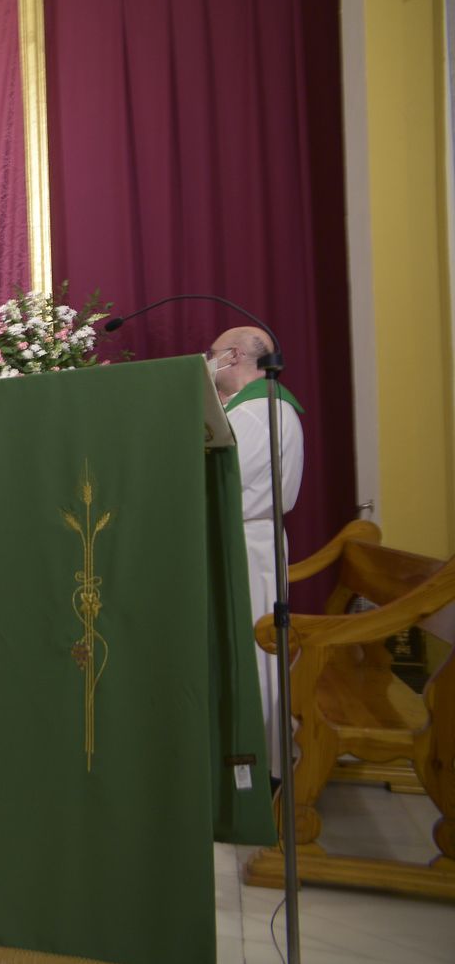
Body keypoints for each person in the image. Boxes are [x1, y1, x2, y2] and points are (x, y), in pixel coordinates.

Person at [207, 326, 304, 773]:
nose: (207, 363)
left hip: (244, 543)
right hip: (254, 540)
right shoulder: (272, 406)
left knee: (252, 650)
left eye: (211, 354)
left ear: (233, 357)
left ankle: (260, 767)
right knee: (255, 649)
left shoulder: (251, 416)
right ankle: (261, 759)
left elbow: (217, 482)